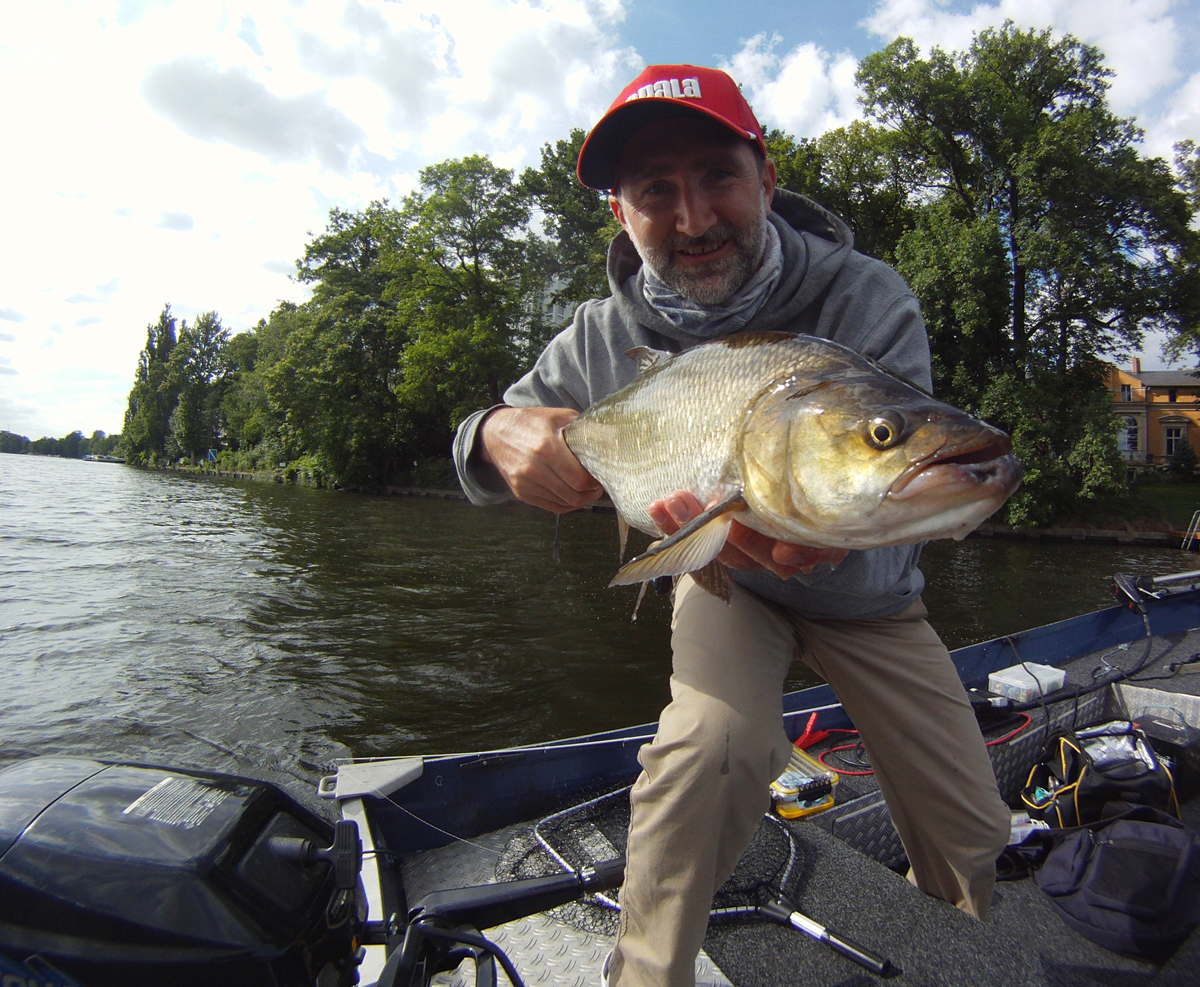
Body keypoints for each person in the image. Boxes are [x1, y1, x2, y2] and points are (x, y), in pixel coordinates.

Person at [452, 64, 1011, 987]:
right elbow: (479, 448)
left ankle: (952, 945)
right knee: (711, 748)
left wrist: (828, 532)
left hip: (868, 593)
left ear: (767, 179)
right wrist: (494, 431)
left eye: (717, 176)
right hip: (722, 572)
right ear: (621, 215)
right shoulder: (596, 339)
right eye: (655, 192)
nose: (695, 218)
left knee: (973, 829)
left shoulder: (867, 299)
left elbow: (913, 488)